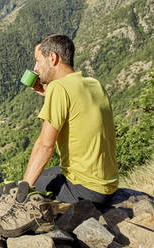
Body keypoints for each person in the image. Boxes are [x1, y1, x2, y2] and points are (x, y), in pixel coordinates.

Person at [23, 34, 118, 207]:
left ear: (52, 58)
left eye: (38, 61)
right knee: (46, 174)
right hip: (108, 185)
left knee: (16, 188)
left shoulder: (59, 89)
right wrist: (47, 94)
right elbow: (76, 107)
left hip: (84, 191)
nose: (35, 68)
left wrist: (21, 193)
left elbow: (45, 146)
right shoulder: (93, 83)